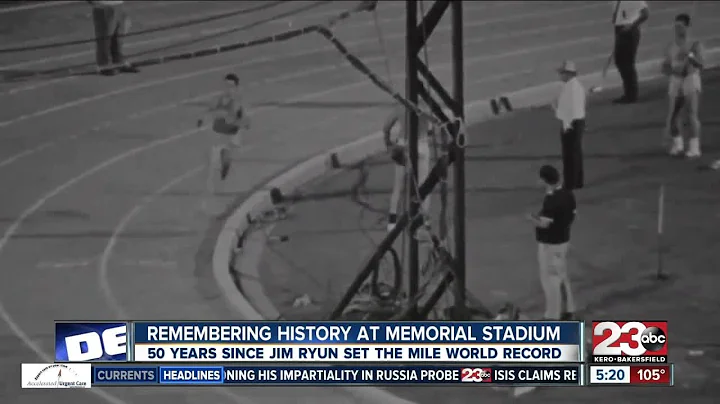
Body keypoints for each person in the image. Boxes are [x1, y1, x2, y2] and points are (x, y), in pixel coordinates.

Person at [526, 165, 577, 321]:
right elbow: (573, 215)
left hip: (550, 244)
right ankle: (569, 308)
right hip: (563, 241)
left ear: (544, 180)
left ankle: (552, 315)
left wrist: (531, 218)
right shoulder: (568, 194)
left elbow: (544, 224)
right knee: (562, 275)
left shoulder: (551, 200)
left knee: (550, 280)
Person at [383, 103, 434, 240]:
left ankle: (392, 220)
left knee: (398, 184)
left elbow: (386, 126)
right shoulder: (426, 108)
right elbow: (432, 127)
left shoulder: (400, 107)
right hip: (421, 144)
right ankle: (424, 219)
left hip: (403, 144)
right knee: (424, 185)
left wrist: (387, 142)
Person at [197, 73, 249, 197]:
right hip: (219, 133)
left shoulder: (237, 101)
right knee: (214, 162)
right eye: (226, 85)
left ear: (236, 87)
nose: (228, 88)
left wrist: (242, 123)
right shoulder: (220, 99)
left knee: (226, 162)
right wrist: (202, 118)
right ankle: (211, 188)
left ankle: (220, 178)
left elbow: (240, 116)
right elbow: (210, 109)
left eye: (231, 86)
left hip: (231, 134)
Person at [662, 13, 705, 158]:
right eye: (676, 26)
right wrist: (672, 71)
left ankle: (695, 147)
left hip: (690, 79)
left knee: (691, 113)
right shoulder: (671, 46)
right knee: (673, 116)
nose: (677, 29)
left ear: (687, 27)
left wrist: (691, 57)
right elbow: (664, 67)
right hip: (676, 80)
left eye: (680, 26)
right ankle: (678, 144)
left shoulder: (695, 44)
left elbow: (701, 65)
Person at [553, 61, 586, 190]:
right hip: (578, 121)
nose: (561, 76)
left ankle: (570, 183)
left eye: (562, 73)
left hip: (571, 123)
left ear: (568, 74)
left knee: (569, 154)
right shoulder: (577, 86)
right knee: (576, 152)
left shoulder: (569, 88)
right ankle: (578, 180)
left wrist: (557, 111)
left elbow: (568, 110)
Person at [612, 1, 649, 104]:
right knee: (620, 61)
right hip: (620, 29)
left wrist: (632, 25)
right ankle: (629, 93)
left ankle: (631, 95)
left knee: (627, 63)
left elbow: (646, 13)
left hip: (629, 31)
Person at [88, 0, 139, 76]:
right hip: (103, 5)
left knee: (119, 34)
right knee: (105, 36)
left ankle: (118, 62)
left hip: (118, 4)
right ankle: (104, 66)